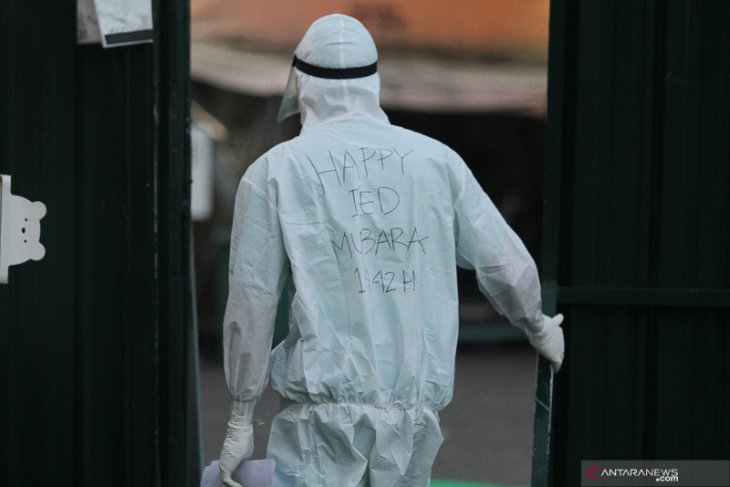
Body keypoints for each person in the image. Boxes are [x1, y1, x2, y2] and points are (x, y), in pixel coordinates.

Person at [219, 13, 564, 487]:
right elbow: (501, 260)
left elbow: (252, 301)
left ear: (302, 84)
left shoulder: (276, 171)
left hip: (317, 424)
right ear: (373, 82)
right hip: (414, 419)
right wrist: (536, 322)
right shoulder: (436, 161)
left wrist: (241, 413)